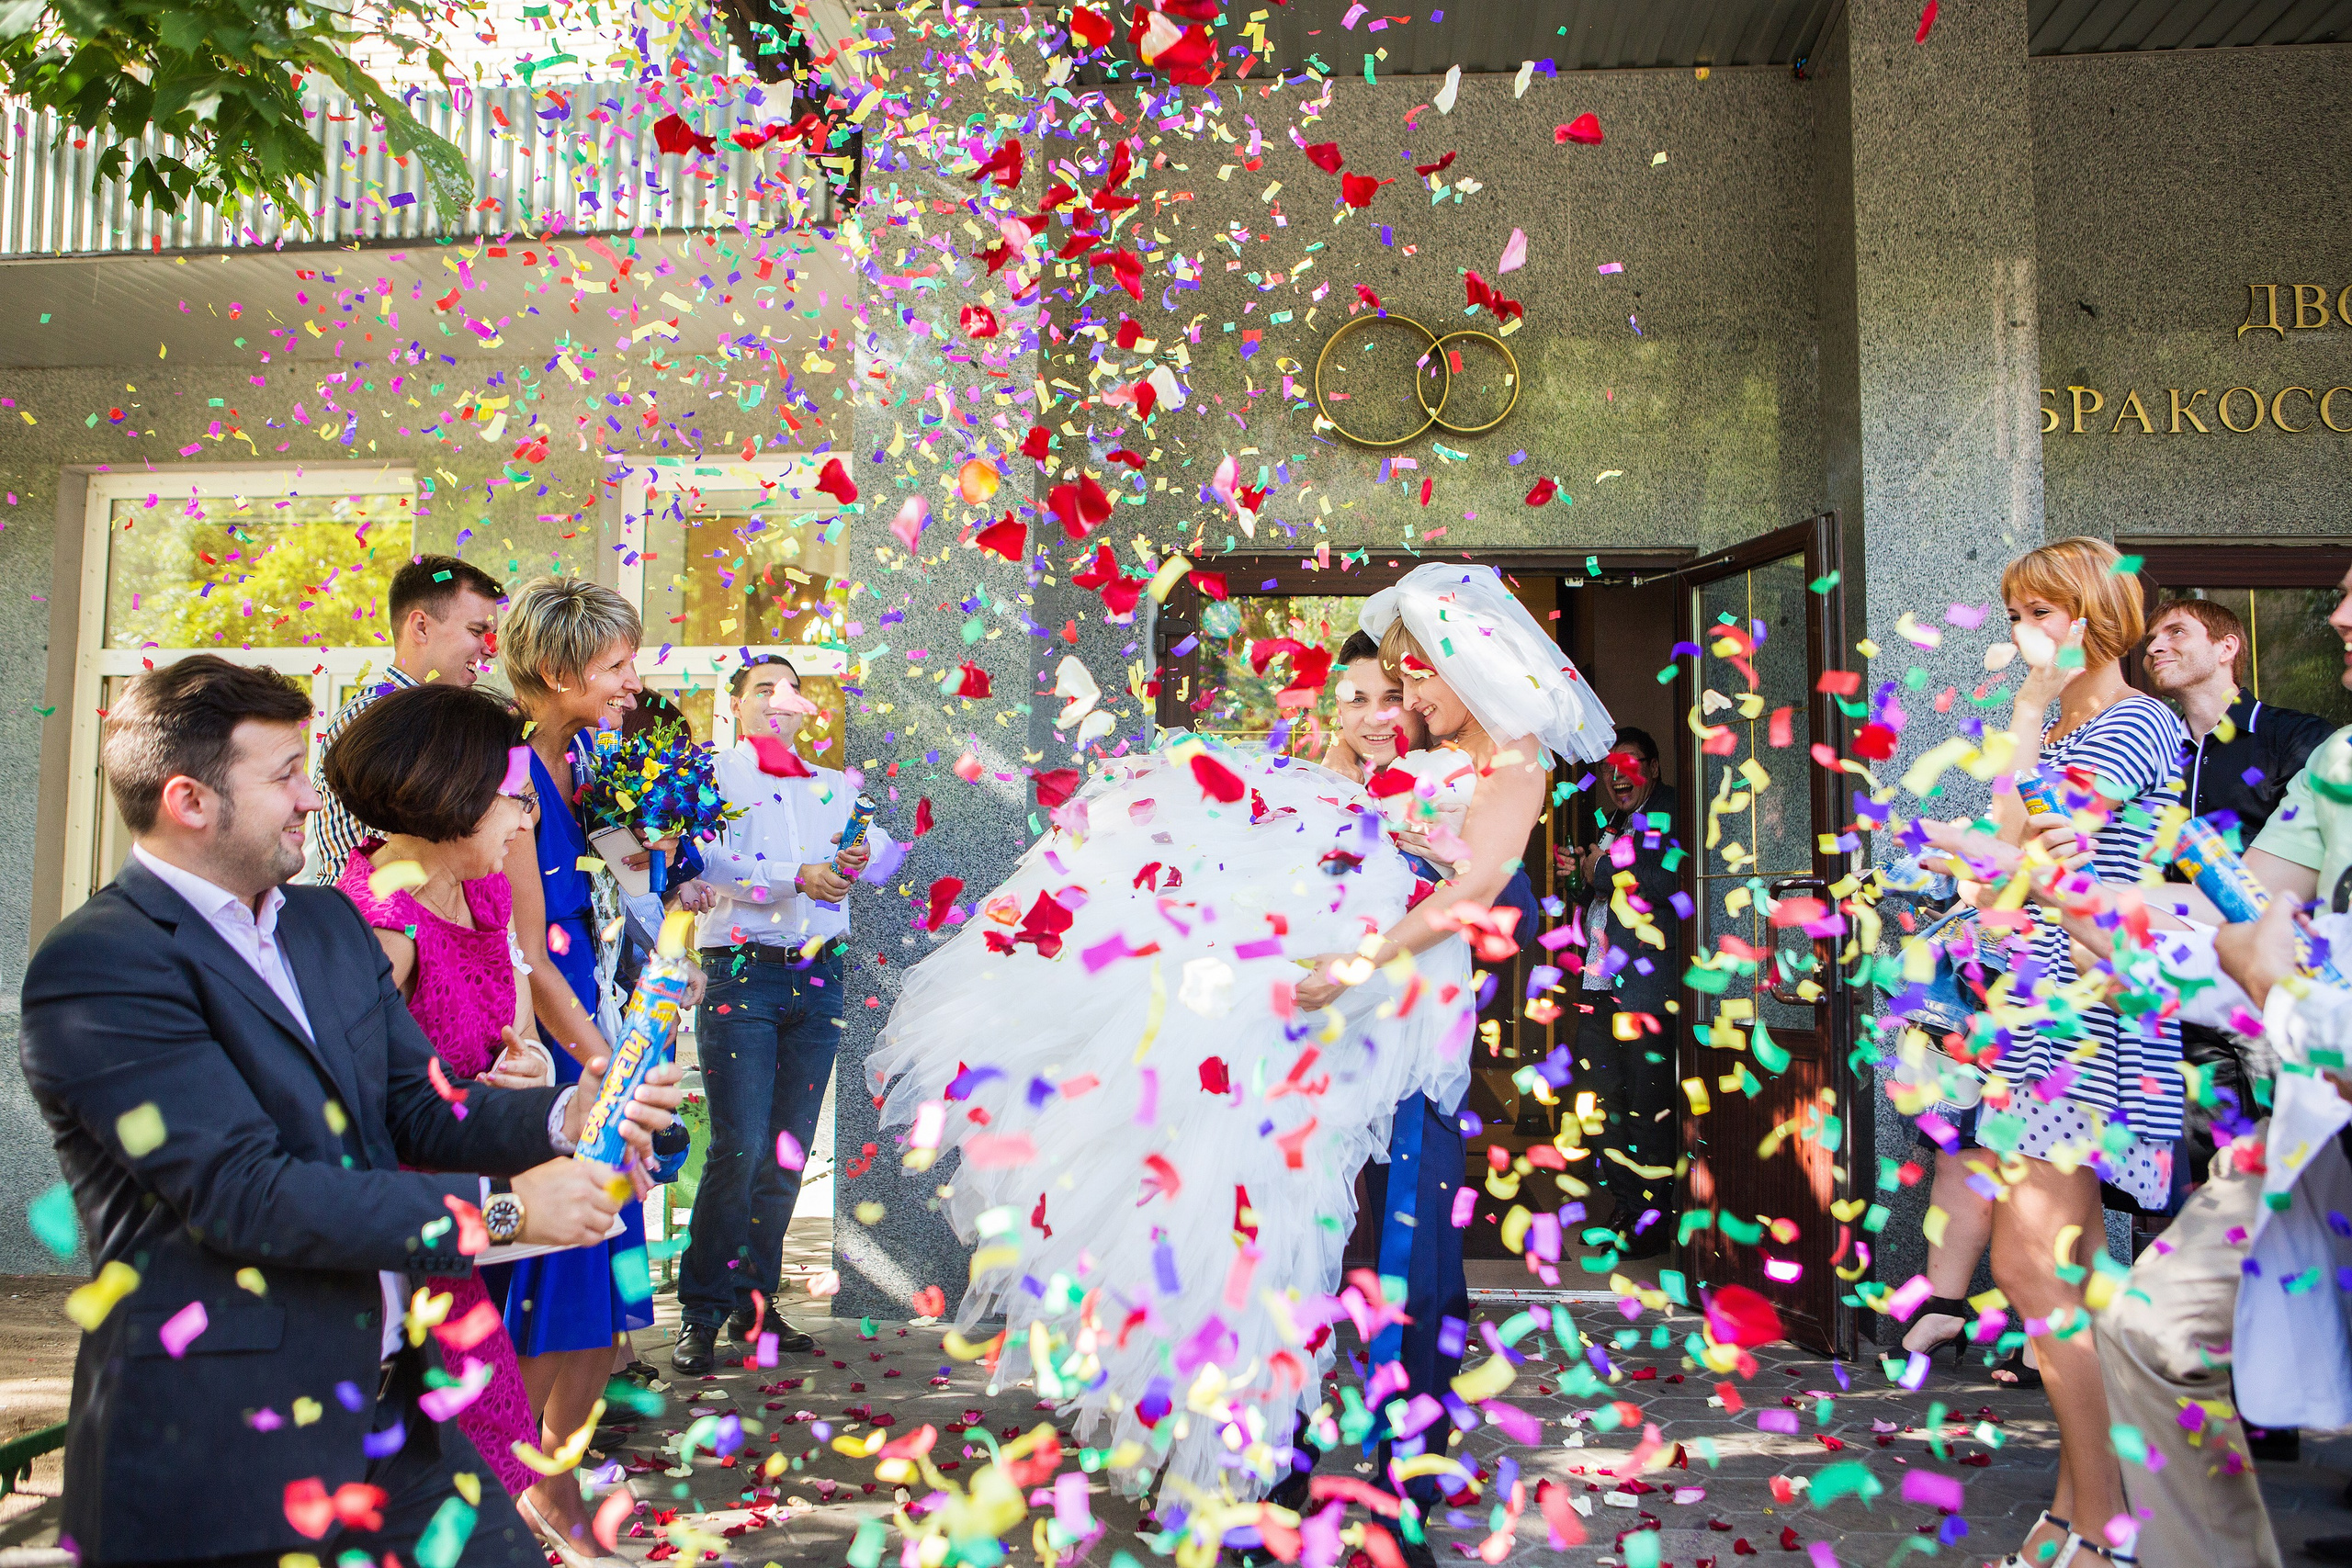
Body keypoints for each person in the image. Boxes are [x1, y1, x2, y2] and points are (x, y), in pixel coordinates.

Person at [864, 565, 1614, 1554]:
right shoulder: (1373, 758)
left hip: (1406, 1024)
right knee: (1279, 1247)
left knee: (1415, 1273)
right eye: (1390, 682)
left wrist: (1357, 958)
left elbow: (1478, 882)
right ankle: (1271, 1466)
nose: (1405, 699)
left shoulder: (1512, 759)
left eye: (1415, 678)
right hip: (1309, 1030)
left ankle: (1408, 1482)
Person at [17, 654, 684, 1568]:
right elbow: (242, 1193)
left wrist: (568, 1118)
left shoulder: (322, 926)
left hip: (395, 1419)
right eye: (284, 776)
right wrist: (509, 1210)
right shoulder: (101, 965)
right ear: (189, 801)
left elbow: (414, 1108)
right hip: (227, 1447)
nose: (308, 799)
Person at [323, 682, 616, 1561]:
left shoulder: (478, 889)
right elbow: (362, 1117)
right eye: (515, 798)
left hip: (467, 1220)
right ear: (451, 792)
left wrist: (528, 1077)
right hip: (401, 1243)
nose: (527, 821)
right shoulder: (381, 923)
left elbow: (494, 1032)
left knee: (492, 1457)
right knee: (470, 1469)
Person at [1977, 536, 2190, 1568]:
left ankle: (2104, 1520)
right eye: (2018, 611)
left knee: (2035, 1261)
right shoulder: (2062, 722)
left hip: (2091, 1011)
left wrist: (2021, 723)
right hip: (2036, 1004)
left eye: (2039, 611)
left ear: (2088, 616)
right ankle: (2076, 1510)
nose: (2024, 632)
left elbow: (2036, 837)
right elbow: (1994, 858)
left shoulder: (2138, 719)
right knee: (2063, 1272)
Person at [491, 576, 685, 1539]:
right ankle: (530, 1477)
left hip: (616, 1041)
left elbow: (633, 892)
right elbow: (526, 955)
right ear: (560, 672)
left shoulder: (596, 763)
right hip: (565, 1063)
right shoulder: (512, 778)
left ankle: (560, 1464)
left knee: (605, 1283)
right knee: (561, 1277)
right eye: (614, 665)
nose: (630, 680)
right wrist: (601, 1066)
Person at [676, 655, 899, 1373]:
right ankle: (702, 1310)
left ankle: (756, 1305)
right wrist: (789, 877)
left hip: (819, 974)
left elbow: (883, 861)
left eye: (791, 689)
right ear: (736, 705)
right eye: (762, 689)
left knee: (783, 1155)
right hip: (742, 976)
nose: (780, 700)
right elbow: (702, 862)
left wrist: (862, 856)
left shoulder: (833, 786)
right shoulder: (711, 776)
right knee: (737, 1146)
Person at [2149, 596, 2337, 1200]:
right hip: (2180, 982)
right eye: (2151, 638)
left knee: (2295, 1171)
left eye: (2176, 631)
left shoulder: (2301, 739)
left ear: (2228, 646)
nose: (2156, 646)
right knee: (2201, 1179)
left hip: (2281, 986)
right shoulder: (2153, 753)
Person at [1555, 725, 1682, 1258]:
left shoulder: (1673, 810)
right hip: (1600, 984)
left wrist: (1599, 868)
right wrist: (1577, 875)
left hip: (1646, 990)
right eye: (1609, 769)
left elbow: (1659, 882)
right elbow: (1597, 891)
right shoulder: (1612, 821)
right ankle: (1624, 1208)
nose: (1616, 777)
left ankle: (1651, 1221)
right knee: (1605, 1102)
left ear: (1652, 768)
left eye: (1628, 765)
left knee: (1647, 1105)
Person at [311, 555, 505, 882]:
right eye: (477, 630)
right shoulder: (373, 718)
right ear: (420, 627)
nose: (491, 649)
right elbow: (398, 859)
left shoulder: (448, 720)